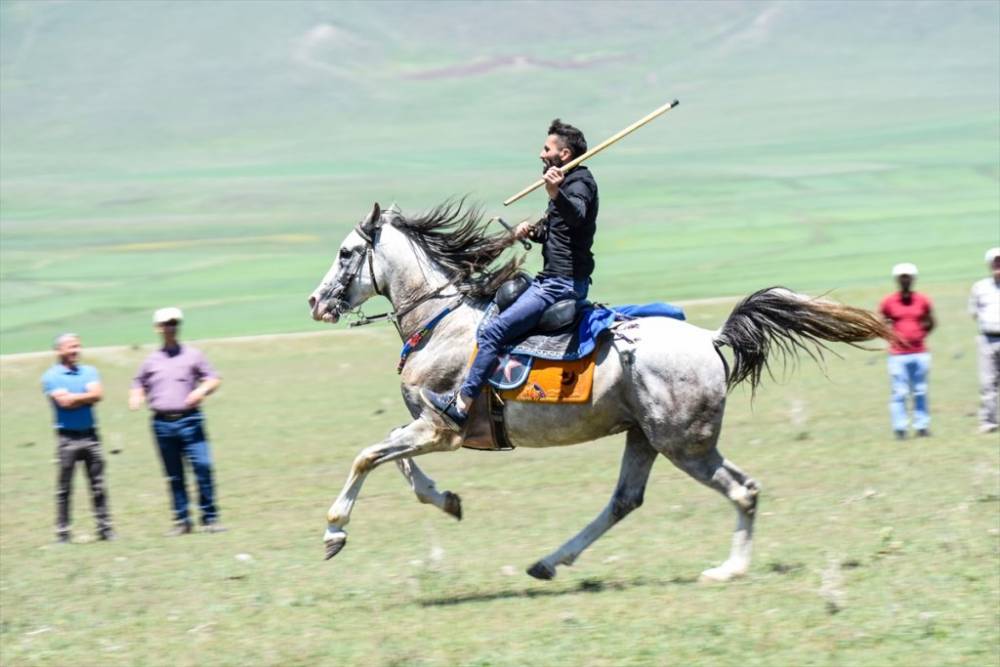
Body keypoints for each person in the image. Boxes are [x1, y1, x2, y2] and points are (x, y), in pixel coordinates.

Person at [421, 118, 598, 430]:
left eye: (547, 149)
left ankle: (461, 406)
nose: (542, 154)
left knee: (491, 333)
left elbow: (578, 217)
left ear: (565, 154)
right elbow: (560, 232)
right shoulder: (564, 181)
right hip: (552, 278)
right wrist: (532, 231)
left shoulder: (579, 183)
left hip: (560, 284)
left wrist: (555, 192)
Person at [129, 307, 225, 535]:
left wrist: (201, 391)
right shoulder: (151, 360)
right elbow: (138, 383)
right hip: (162, 425)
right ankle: (182, 521)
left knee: (203, 467)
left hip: (190, 420)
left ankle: (209, 519)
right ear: (158, 329)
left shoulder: (193, 355)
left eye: (174, 323)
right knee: (174, 474)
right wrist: (136, 397)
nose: (171, 327)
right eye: (166, 324)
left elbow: (213, 378)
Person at [41, 333, 114, 543]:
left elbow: (98, 395)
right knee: (65, 488)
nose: (75, 351)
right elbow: (64, 403)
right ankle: (63, 534)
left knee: (98, 485)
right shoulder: (51, 376)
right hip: (67, 439)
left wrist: (75, 397)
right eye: (71, 347)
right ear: (59, 350)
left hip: (91, 436)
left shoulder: (90, 371)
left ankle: (105, 529)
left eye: (78, 347)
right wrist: (85, 398)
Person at [879, 263, 935, 439]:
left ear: (913, 279)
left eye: (908, 276)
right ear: (897, 280)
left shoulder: (922, 300)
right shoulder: (888, 302)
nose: (905, 279)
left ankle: (922, 426)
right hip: (897, 355)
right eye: (902, 276)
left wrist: (920, 335)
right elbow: (881, 323)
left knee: (920, 390)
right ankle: (900, 428)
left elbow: (931, 321)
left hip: (920, 352)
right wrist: (892, 338)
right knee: (899, 392)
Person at [969, 247, 1000, 434]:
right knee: (987, 383)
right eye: (995, 261)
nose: (998, 264)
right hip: (987, 340)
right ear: (989, 265)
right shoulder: (980, 287)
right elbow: (974, 312)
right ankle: (988, 422)